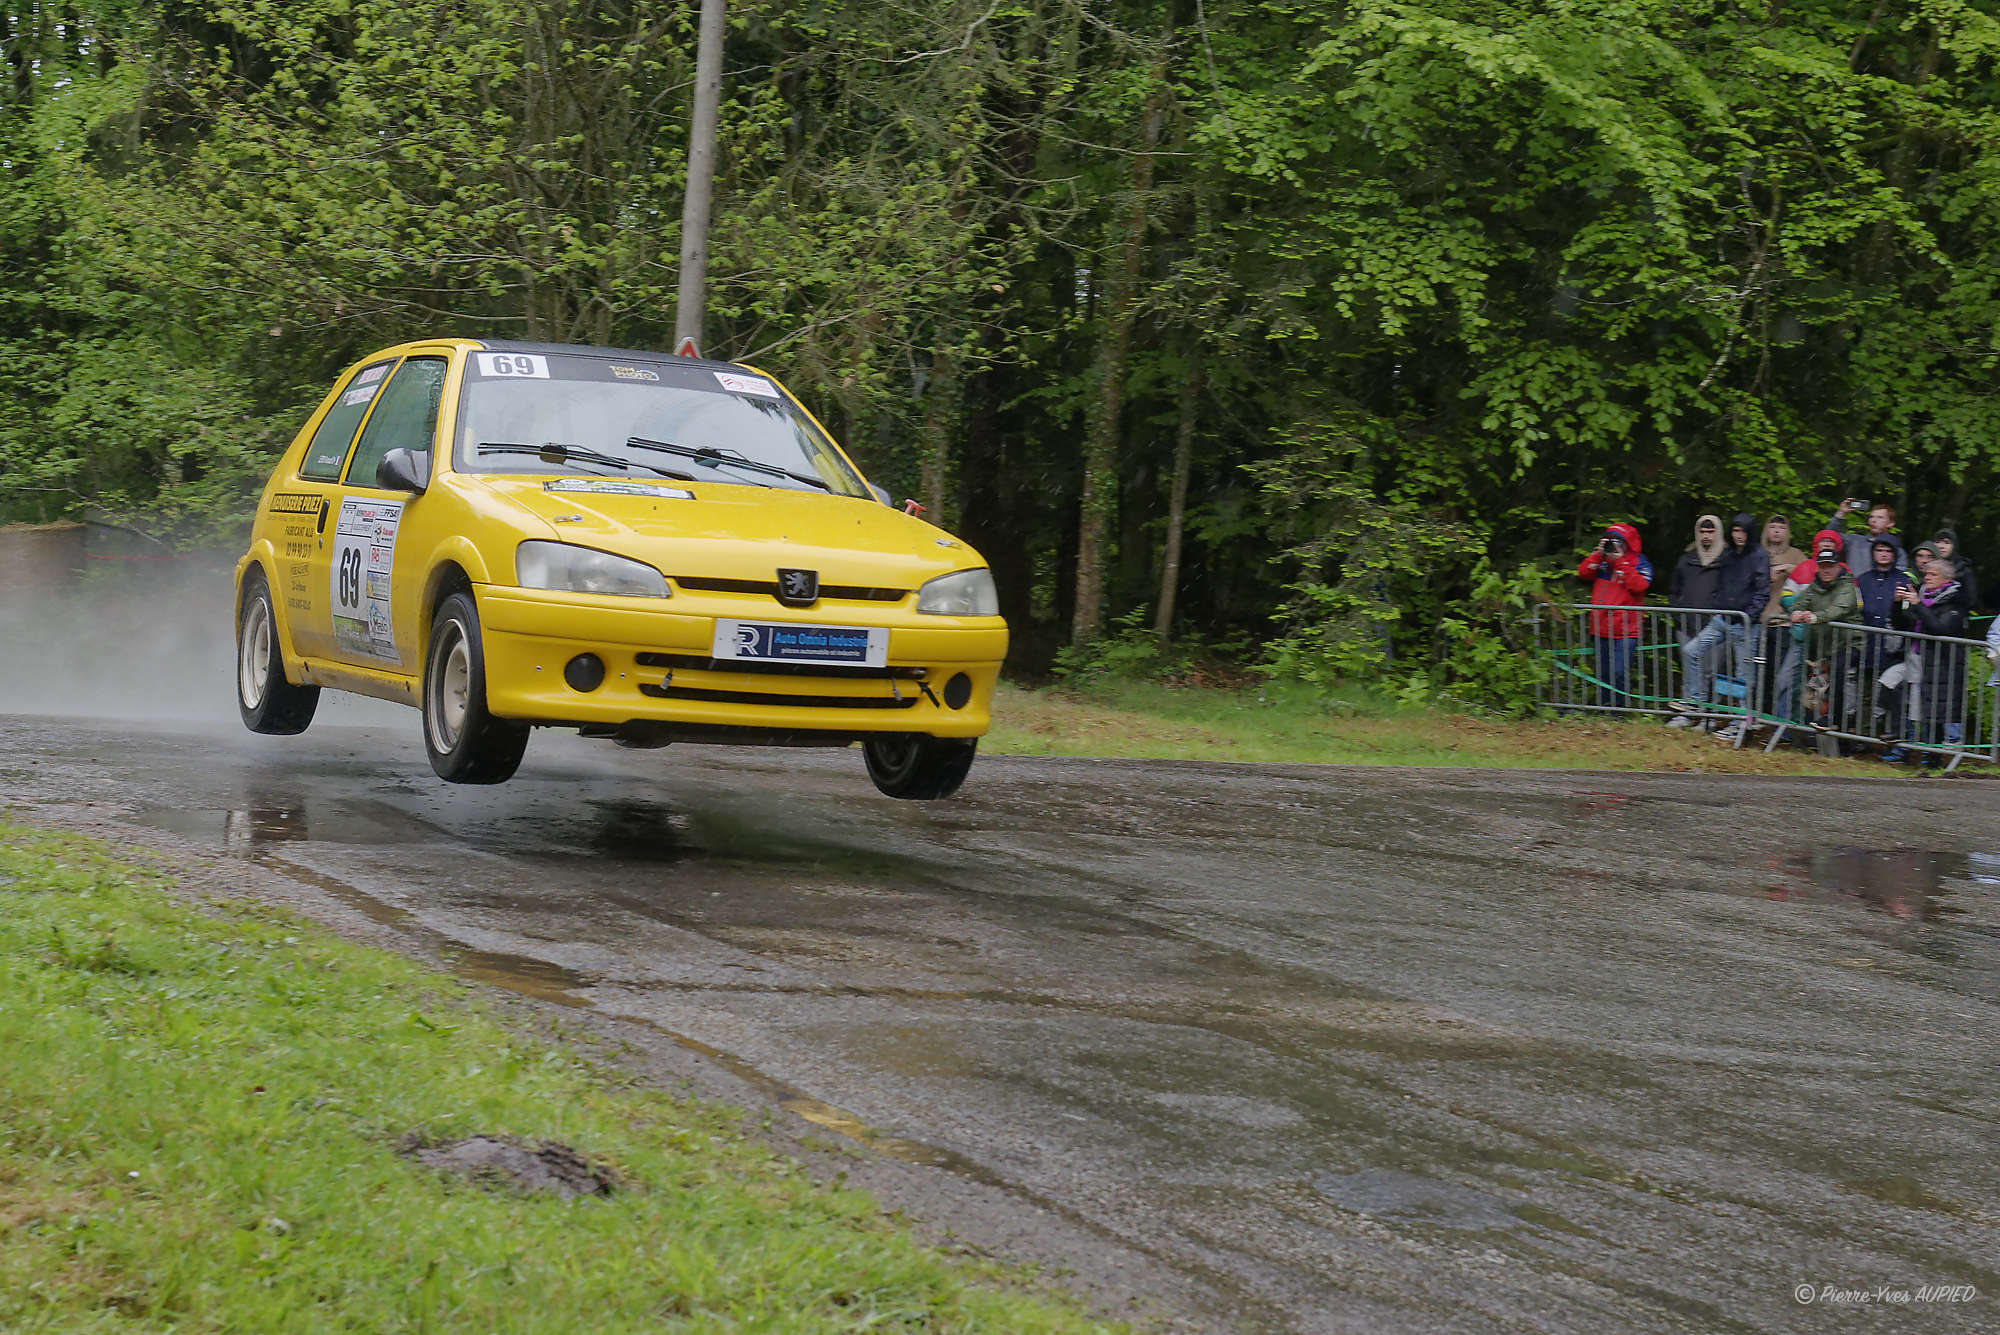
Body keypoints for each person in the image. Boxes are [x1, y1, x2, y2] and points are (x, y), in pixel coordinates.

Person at [1676, 513, 1768, 732]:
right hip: (1722, 620)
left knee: (1743, 673)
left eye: (1743, 531)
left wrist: (1749, 616)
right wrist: (1718, 609)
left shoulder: (1759, 555)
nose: (1739, 536)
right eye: (1735, 531)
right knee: (1691, 651)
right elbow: (1720, 584)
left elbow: (1762, 592)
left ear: (1750, 533)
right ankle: (1696, 703)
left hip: (1745, 624)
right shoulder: (1728, 554)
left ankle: (1740, 721)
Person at [1884, 558, 1972, 762]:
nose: (1927, 578)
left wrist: (1919, 605)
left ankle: (1932, 756)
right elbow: (1902, 624)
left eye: (1933, 575)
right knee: (1899, 690)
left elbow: (1939, 629)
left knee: (1937, 711)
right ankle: (1909, 744)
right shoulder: (1923, 597)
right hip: (1920, 659)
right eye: (1926, 574)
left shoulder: (1955, 601)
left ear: (1946, 578)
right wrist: (1897, 604)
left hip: (1944, 664)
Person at [1775, 539, 1859, 726]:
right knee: (1792, 682)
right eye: (1822, 566)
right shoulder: (1815, 585)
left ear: (1838, 566)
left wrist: (1814, 617)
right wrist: (1795, 611)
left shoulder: (1848, 586)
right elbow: (1799, 602)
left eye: (1830, 566)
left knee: (1837, 684)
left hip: (1845, 644)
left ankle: (1835, 725)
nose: (1826, 570)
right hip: (1818, 644)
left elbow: (1840, 608)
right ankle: (1792, 727)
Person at [1576, 523, 1653, 708]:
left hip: (1626, 629)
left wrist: (1620, 562)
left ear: (1627, 543)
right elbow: (1583, 573)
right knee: (1602, 673)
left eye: (1618, 541)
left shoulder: (1639, 562)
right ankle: (1603, 708)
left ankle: (1617, 710)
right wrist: (1598, 553)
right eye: (1611, 541)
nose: (1614, 545)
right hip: (1600, 626)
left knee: (1619, 672)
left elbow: (1640, 586)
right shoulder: (1601, 561)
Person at [1854, 536, 1916, 738]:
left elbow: (1908, 615)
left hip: (1893, 648)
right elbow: (1856, 611)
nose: (1883, 554)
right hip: (1867, 644)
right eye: (1879, 550)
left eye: (1888, 551)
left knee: (1890, 694)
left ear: (1894, 554)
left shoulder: (1903, 580)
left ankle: (1890, 736)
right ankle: (1863, 737)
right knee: (1865, 694)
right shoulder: (1862, 580)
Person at [1829, 498, 1906, 572]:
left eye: (1880, 517)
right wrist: (1841, 512)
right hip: (1852, 585)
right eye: (1871, 517)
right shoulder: (1854, 541)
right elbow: (1829, 536)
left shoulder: (1896, 550)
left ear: (1891, 523)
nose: (1873, 520)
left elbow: (1899, 577)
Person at [1759, 516, 1806, 622]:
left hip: (1783, 619)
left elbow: (1809, 575)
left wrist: (1787, 568)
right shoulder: (1757, 553)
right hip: (1757, 616)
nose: (1776, 531)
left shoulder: (1796, 554)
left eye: (1781, 528)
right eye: (1772, 527)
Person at [1931, 529, 1979, 610]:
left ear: (1954, 546)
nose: (1941, 546)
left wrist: (1948, 592)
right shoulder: (1927, 567)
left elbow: (1971, 600)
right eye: (1938, 542)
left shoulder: (1963, 570)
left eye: (1947, 542)